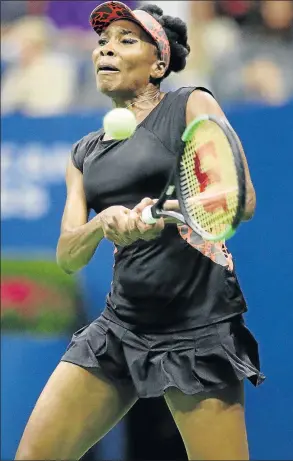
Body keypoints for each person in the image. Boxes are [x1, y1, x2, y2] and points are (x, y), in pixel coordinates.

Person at [15, 2, 265, 460]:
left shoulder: (190, 103)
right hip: (121, 326)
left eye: (127, 40)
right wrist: (101, 223)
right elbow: (68, 256)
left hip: (198, 328)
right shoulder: (84, 153)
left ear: (159, 63)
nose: (107, 51)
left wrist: (167, 210)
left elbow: (241, 200)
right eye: (102, 43)